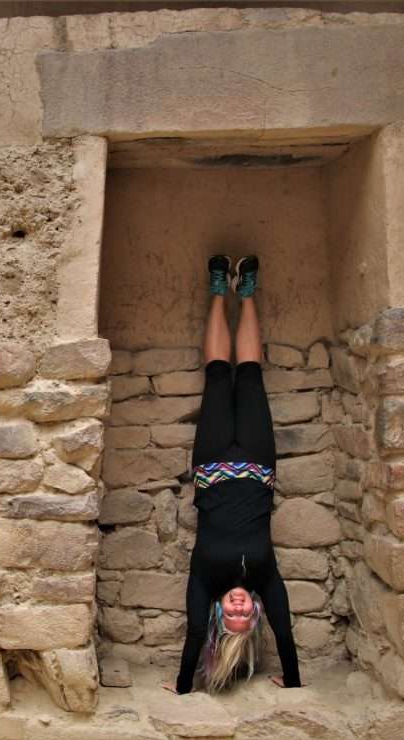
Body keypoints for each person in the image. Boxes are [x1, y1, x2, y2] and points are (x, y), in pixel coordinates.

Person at [162, 255, 301, 695]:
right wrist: (293, 682)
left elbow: (191, 637)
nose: (239, 608)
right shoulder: (265, 578)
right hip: (259, 464)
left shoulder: (205, 578)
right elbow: (285, 631)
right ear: (255, 611)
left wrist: (184, 685)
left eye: (232, 615)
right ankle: (249, 294)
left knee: (220, 378)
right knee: (252, 377)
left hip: (212, 464)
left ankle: (219, 290)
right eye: (246, 615)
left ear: (219, 614)